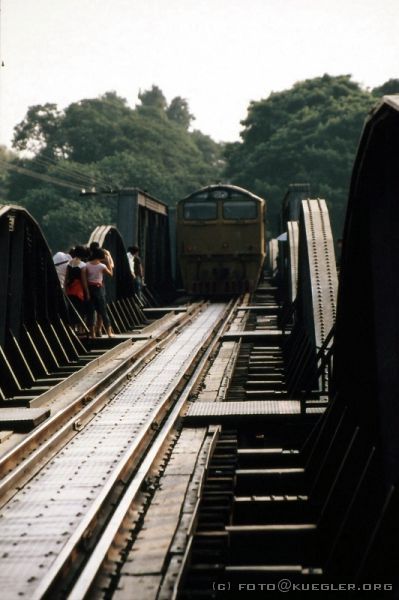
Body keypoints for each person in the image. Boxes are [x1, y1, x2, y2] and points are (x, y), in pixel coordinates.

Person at [86, 248, 113, 338]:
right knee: (103, 311)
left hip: (90, 288)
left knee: (91, 311)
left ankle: (92, 334)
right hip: (99, 289)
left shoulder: (86, 265)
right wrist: (108, 261)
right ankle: (109, 333)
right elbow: (110, 274)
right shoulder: (102, 266)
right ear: (101, 256)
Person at [64, 246, 89, 329]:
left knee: (71, 309)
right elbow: (84, 281)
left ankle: (72, 328)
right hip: (78, 290)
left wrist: (64, 289)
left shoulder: (69, 263)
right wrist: (87, 293)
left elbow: (66, 278)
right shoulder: (82, 265)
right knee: (81, 309)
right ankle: (81, 329)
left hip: (69, 289)